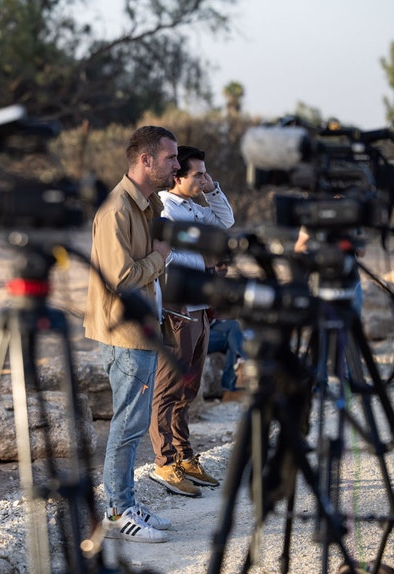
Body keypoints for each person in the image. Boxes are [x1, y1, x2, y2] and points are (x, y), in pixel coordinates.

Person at [84, 126, 178, 543]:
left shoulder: (147, 204)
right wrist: (159, 259)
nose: (176, 165)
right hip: (125, 334)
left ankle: (125, 501)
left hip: (142, 329)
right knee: (127, 425)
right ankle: (118, 512)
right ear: (145, 160)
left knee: (134, 424)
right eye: (170, 158)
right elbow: (120, 278)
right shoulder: (116, 210)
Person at [148, 145, 235, 497]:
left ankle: (185, 457)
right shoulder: (164, 209)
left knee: (189, 389)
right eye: (197, 174)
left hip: (201, 309)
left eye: (205, 172)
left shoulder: (194, 208)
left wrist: (212, 190)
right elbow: (165, 259)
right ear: (177, 176)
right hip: (178, 310)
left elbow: (225, 222)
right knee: (167, 390)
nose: (203, 178)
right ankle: (164, 462)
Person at [206, 260, 246, 401]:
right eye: (220, 264)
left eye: (226, 264)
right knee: (234, 329)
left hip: (220, 328)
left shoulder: (228, 284)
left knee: (233, 340)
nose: (223, 267)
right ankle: (240, 365)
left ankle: (228, 389)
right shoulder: (205, 282)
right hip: (203, 333)